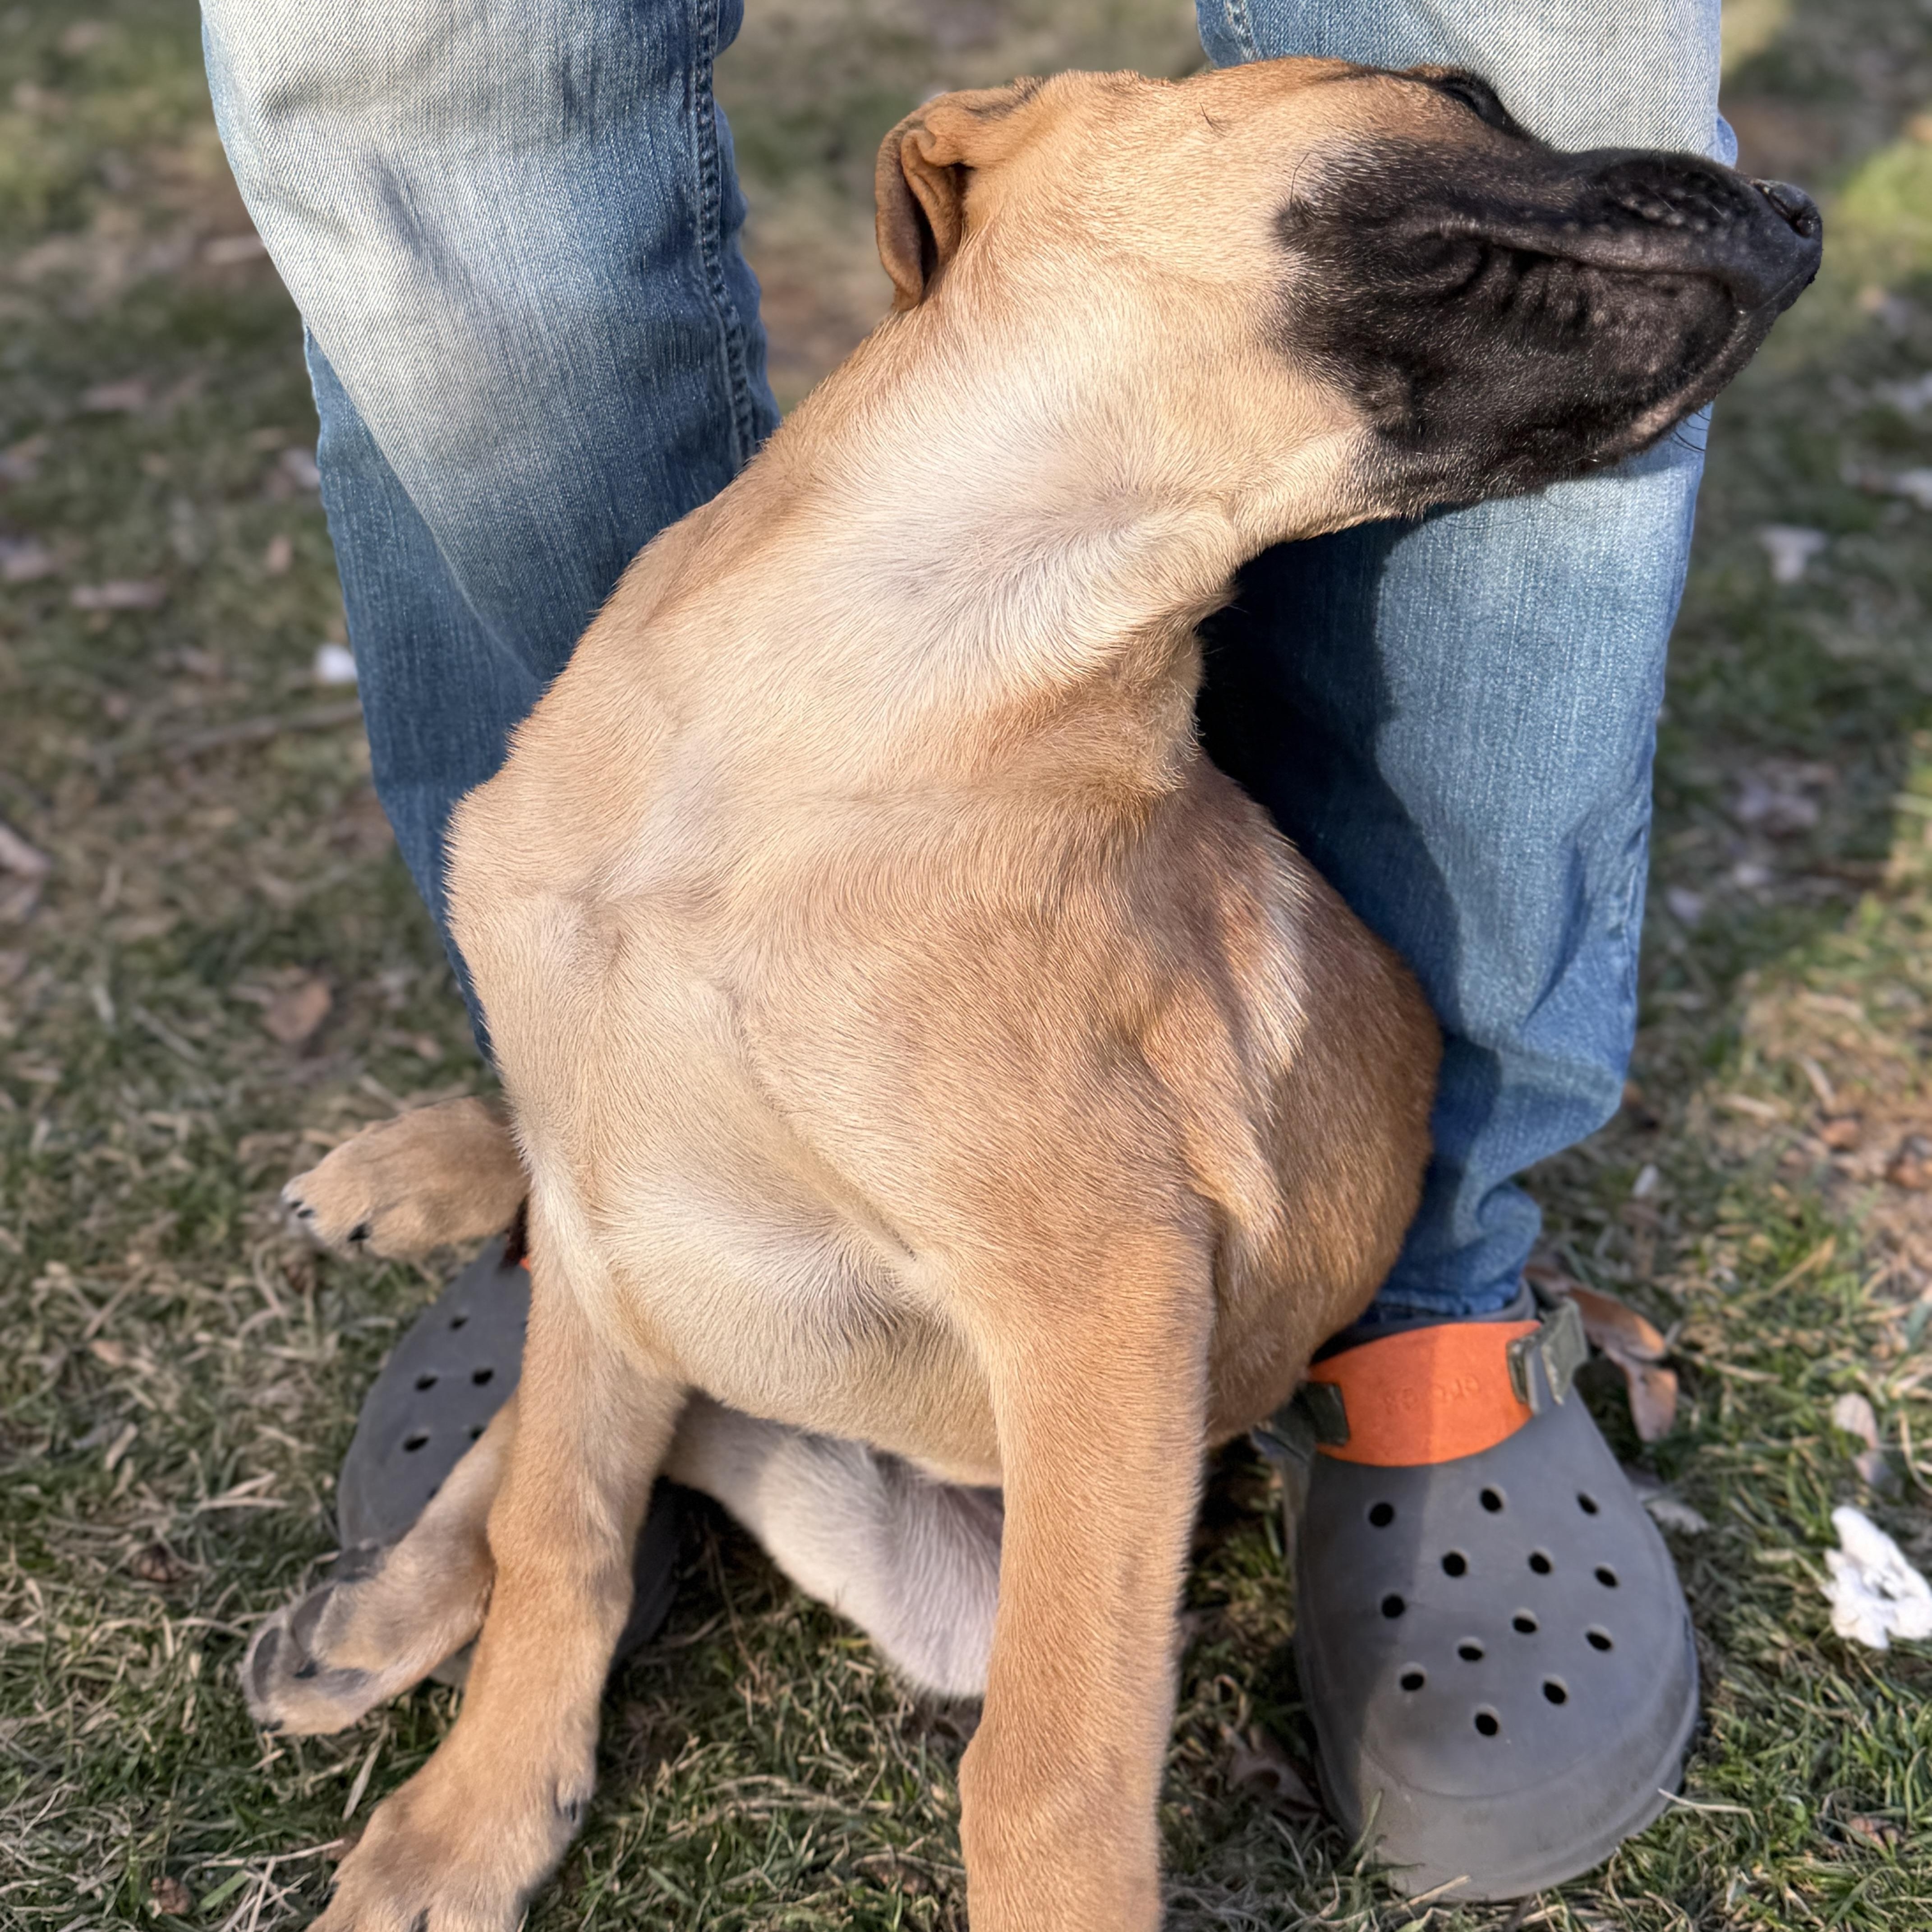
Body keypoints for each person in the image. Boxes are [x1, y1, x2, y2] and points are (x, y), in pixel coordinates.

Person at [202, 0, 1730, 1899]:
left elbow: (1106, 1294)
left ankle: (1432, 1311)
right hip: (789, 1189)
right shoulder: (609, 761)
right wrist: (540, 1641)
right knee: (423, 57)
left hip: (1004, 1368)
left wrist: (1053, 1847)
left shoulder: (1012, 878)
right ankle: (557, 1271)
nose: (1499, 182)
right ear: (982, 159)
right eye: (1442, 126)